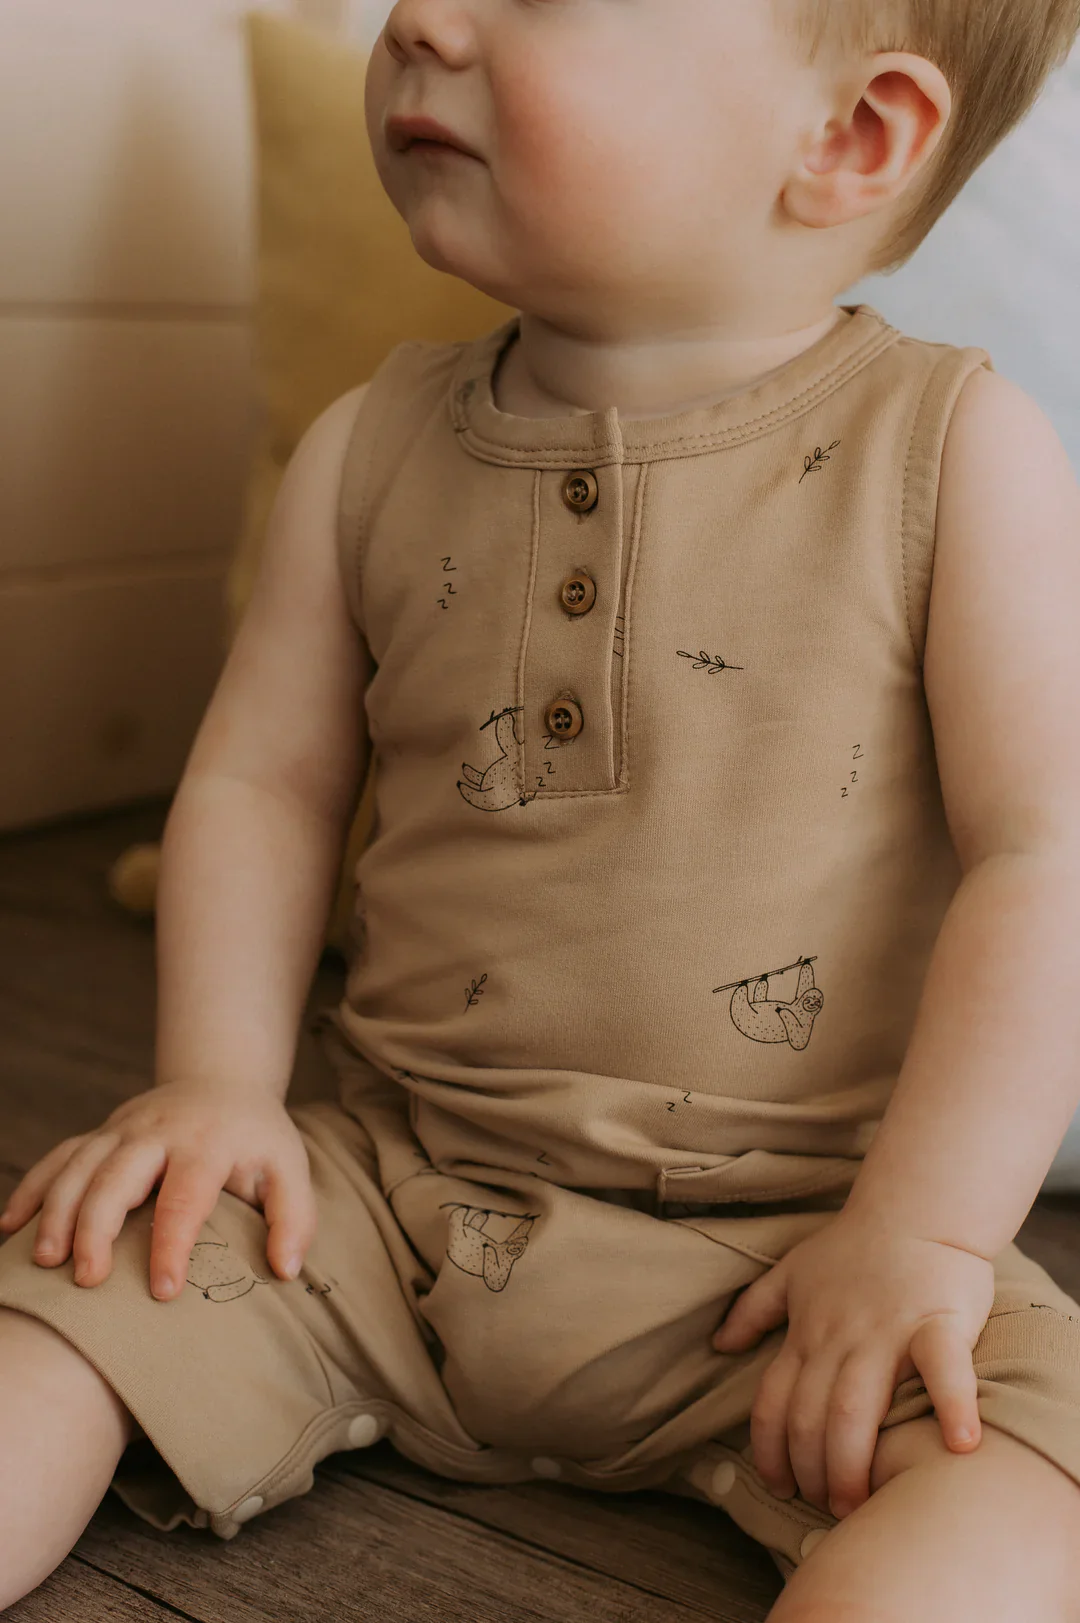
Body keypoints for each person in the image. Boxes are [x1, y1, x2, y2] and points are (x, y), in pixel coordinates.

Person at [3, 1, 1080, 1615]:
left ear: (851, 137)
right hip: (386, 1207)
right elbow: (264, 784)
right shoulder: (369, 446)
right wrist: (217, 1087)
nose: (421, 19)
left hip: (813, 1253)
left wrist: (921, 1234)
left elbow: (1044, 855)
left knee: (1023, 1478)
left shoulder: (955, 450)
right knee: (71, 1283)